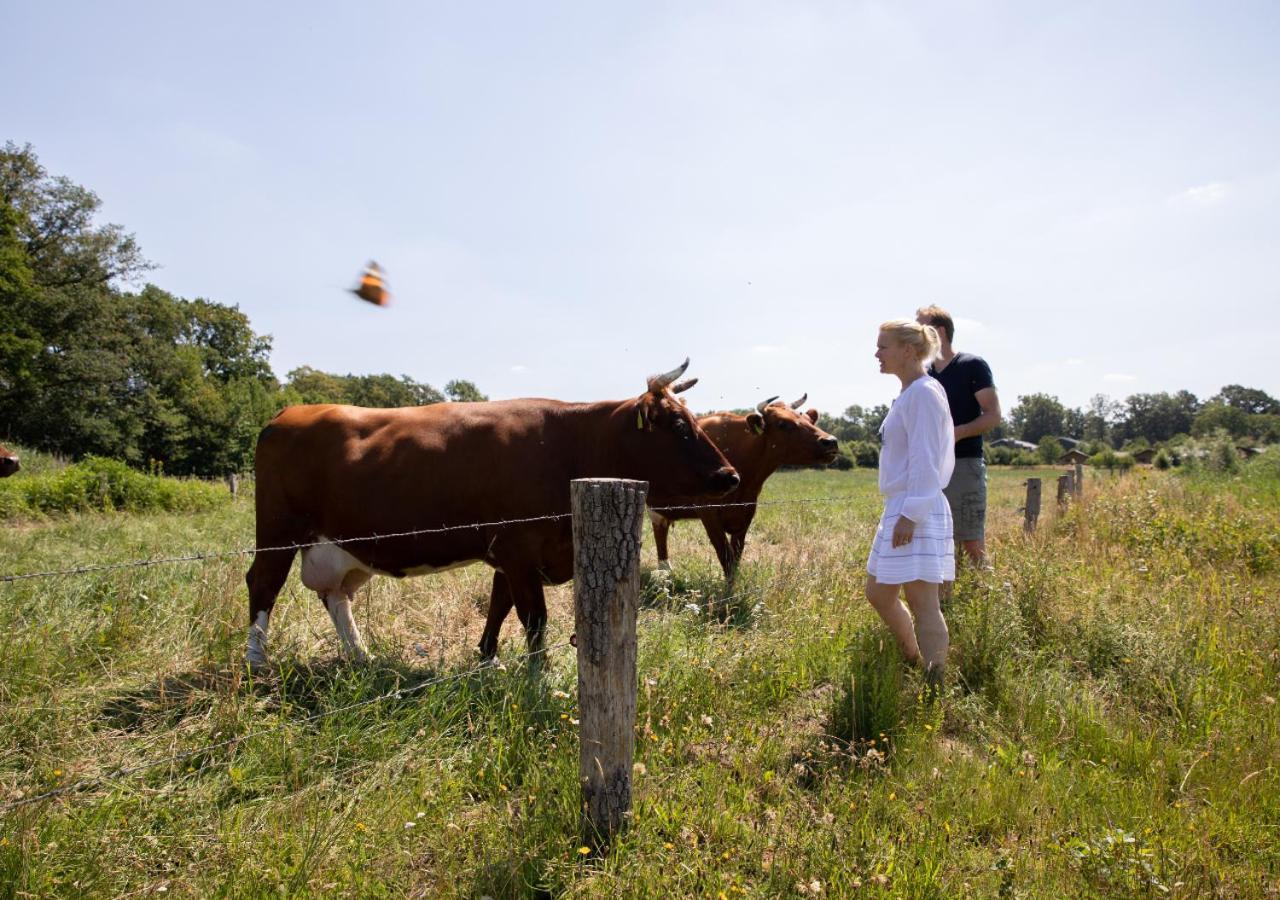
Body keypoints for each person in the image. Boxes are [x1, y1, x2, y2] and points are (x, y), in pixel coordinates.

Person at [865, 320, 955, 688]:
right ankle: (914, 659)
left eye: (882, 346)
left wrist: (911, 514)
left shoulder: (923, 393)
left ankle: (935, 684)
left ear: (907, 350)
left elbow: (926, 460)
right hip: (901, 506)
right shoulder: (908, 395)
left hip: (916, 507)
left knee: (924, 603)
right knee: (878, 592)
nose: (876, 354)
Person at [915, 305, 1000, 571]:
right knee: (938, 541)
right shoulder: (924, 374)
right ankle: (946, 605)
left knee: (971, 541)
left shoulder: (971, 366)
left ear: (939, 332)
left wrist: (956, 434)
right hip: (930, 468)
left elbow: (993, 415)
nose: (914, 334)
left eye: (920, 328)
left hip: (963, 465)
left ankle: (994, 600)